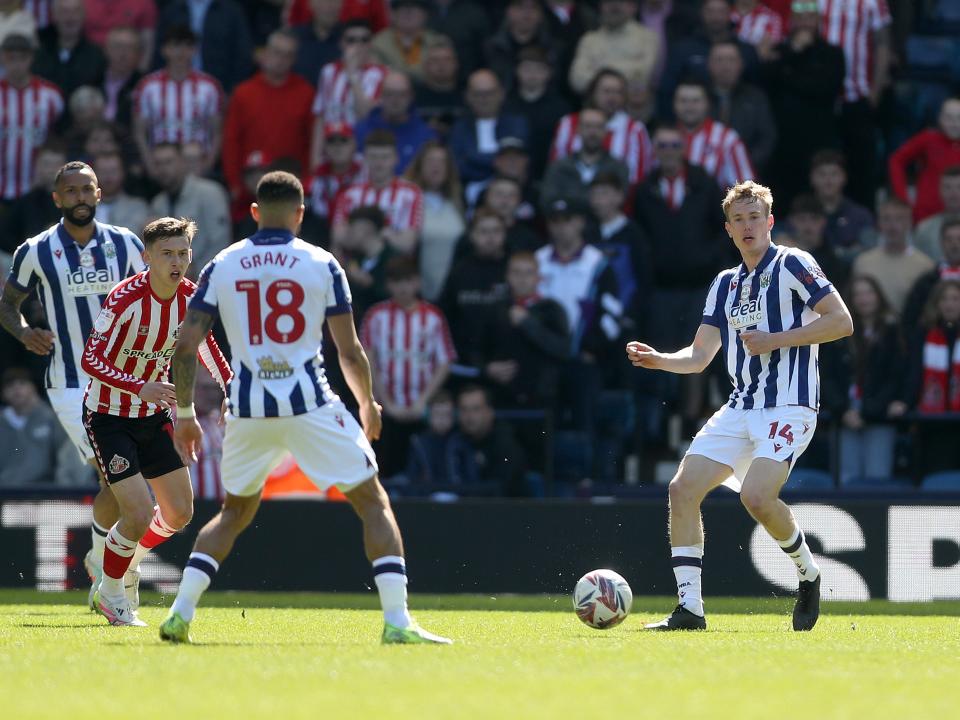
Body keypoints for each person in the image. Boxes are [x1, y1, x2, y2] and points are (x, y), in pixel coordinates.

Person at [160, 170, 451, 645]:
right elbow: (349, 351)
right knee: (373, 503)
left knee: (234, 513)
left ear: (254, 213)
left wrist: (187, 415)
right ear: (300, 214)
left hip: (248, 409)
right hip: (310, 405)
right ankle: (398, 622)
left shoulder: (223, 264)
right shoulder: (322, 263)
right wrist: (367, 403)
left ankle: (180, 614)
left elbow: (186, 346)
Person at [627, 180, 853, 631]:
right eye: (739, 220)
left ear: (770, 222)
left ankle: (808, 574)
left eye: (755, 218)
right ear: (728, 229)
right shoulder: (725, 284)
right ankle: (690, 609)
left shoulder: (794, 263)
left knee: (756, 497)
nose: (748, 226)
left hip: (790, 404)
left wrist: (776, 339)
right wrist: (659, 361)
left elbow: (841, 322)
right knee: (681, 489)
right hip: (740, 407)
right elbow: (698, 357)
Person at [0, 160, 146, 609]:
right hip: (71, 381)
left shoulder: (127, 244)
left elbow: (152, 297)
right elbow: (8, 305)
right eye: (72, 190)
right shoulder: (36, 250)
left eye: (88, 189)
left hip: (125, 376)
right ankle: (118, 581)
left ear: (99, 195)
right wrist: (25, 332)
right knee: (117, 478)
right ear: (57, 198)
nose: (81, 197)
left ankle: (101, 562)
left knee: (117, 484)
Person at [82, 216, 231, 626]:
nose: (177, 261)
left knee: (180, 513)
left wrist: (232, 390)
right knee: (137, 514)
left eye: (183, 252)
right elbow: (90, 359)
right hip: (109, 416)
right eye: (167, 253)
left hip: (154, 417)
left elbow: (207, 348)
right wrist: (138, 386)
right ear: (147, 257)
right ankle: (111, 594)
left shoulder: (192, 296)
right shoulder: (124, 298)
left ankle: (122, 559)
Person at [360, 256, 455, 477]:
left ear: (418, 282)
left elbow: (445, 361)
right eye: (397, 281)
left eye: (408, 281)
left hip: (422, 410)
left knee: (424, 468)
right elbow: (367, 360)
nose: (403, 287)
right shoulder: (376, 315)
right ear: (388, 284)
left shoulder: (433, 316)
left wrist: (423, 401)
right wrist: (385, 401)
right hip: (384, 409)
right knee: (385, 469)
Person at [821, 275, 904, 484]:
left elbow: (896, 376)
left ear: (878, 296)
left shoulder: (892, 331)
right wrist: (842, 410)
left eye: (868, 292)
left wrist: (871, 410)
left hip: (879, 416)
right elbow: (826, 375)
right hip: (845, 416)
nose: (863, 299)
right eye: (858, 294)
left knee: (878, 478)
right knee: (846, 479)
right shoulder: (837, 332)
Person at [222, 28, 315, 215]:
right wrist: (234, 184)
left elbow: (312, 142)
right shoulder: (243, 93)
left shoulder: (306, 93)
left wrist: (306, 182)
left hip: (291, 190)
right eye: (277, 52)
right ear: (264, 54)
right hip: (249, 193)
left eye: (288, 55)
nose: (281, 60)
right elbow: (231, 141)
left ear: (294, 60)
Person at [762, 2, 845, 209]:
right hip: (782, 143)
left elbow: (824, 88)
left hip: (818, 140)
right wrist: (794, 52)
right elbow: (767, 81)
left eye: (810, 16)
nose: (805, 22)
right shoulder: (781, 50)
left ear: (818, 21)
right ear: (791, 21)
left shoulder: (832, 54)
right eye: (800, 16)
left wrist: (788, 75)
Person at [819, 0, 892, 208]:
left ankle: (864, 221)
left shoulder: (872, 2)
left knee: (862, 166)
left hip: (858, 94)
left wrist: (875, 93)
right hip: (819, 96)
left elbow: (883, 44)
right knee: (820, 163)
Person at [133, 25, 225, 178]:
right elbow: (140, 133)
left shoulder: (209, 86)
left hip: (197, 164)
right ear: (164, 50)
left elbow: (217, 132)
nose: (181, 52)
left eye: (187, 46)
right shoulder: (147, 86)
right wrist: (150, 167)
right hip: (161, 165)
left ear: (194, 50)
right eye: (175, 45)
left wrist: (208, 165)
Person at [308, 19, 389, 168]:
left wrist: (352, 74)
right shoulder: (328, 72)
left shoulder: (381, 74)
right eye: (351, 40)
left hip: (363, 156)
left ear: (371, 44)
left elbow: (367, 114)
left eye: (364, 40)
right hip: (330, 155)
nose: (358, 45)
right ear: (342, 43)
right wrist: (315, 159)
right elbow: (320, 117)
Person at [550, 68, 652, 185]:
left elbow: (638, 177)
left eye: (618, 92)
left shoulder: (635, 130)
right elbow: (556, 166)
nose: (612, 97)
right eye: (606, 91)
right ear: (593, 93)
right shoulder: (568, 124)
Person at [901, 279, 960, 477]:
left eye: (955, 298)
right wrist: (906, 403)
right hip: (933, 423)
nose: (949, 304)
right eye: (944, 299)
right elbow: (914, 372)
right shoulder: (924, 332)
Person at [330, 129, 423, 253]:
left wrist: (362, 234)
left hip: (394, 268)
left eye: (385, 157)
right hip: (353, 267)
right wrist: (385, 235)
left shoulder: (411, 194)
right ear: (365, 158)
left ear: (396, 159)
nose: (379, 163)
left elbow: (408, 243)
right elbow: (338, 237)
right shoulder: (349, 194)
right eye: (373, 157)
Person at [149, 143, 231, 280]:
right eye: (158, 164)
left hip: (209, 280)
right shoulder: (158, 203)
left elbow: (220, 243)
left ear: (182, 162)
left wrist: (195, 271)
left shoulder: (210, 193)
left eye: (168, 162)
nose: (163, 169)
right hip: (171, 284)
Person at [0, 33, 63, 202]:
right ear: (2, 58)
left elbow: (57, 138)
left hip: (38, 188)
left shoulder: (50, 95)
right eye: (10, 58)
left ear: (31, 59)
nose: (16, 64)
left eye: (22, 58)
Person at [404, 140, 464, 301]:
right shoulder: (408, 200)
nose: (436, 167)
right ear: (420, 166)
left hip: (452, 292)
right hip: (418, 291)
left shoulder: (457, 203)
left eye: (441, 162)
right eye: (430, 161)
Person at [852, 197, 934, 316]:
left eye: (899, 219)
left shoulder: (925, 265)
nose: (893, 225)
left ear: (909, 223)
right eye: (886, 219)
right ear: (879, 223)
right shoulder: (863, 263)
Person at [706, 41, 776, 176]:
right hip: (705, 174)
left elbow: (767, 138)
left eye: (731, 60)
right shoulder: (699, 97)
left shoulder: (755, 98)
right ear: (709, 65)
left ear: (741, 65)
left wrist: (743, 164)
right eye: (719, 60)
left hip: (746, 174)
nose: (725, 66)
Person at [503, 45, 572, 181]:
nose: (532, 75)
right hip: (511, 174)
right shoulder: (506, 105)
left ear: (549, 73)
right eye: (527, 69)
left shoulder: (561, 108)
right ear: (517, 71)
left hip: (548, 173)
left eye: (539, 69)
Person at [154, 0, 254, 93]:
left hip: (221, 89)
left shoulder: (231, 11)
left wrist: (231, 91)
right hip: (172, 89)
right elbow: (160, 52)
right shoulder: (172, 10)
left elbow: (242, 55)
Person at [448, 69, 528, 185]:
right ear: (468, 97)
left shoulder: (516, 124)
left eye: (489, 93)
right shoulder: (459, 128)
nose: (484, 99)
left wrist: (473, 158)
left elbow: (516, 161)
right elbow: (457, 165)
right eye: (478, 94)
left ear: (501, 94)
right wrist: (498, 162)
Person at [0, 366, 77, 486]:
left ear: (33, 388)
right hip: (5, 493)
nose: (16, 389)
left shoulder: (51, 419)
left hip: (44, 494)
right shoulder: (2, 422)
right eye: (10, 385)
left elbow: (66, 458)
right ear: (3, 393)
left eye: (22, 383)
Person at [541, 108, 629, 210]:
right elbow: (547, 201)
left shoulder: (618, 168)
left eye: (598, 127)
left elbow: (620, 202)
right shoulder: (559, 167)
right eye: (588, 126)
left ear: (606, 131)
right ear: (578, 129)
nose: (593, 132)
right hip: (567, 223)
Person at [888, 97, 960, 223]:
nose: (954, 123)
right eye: (948, 117)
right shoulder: (928, 139)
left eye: (959, 118)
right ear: (940, 119)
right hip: (926, 215)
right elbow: (896, 160)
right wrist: (902, 198)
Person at [674, 78, 755, 190]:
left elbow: (745, 188)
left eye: (695, 101)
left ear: (707, 103)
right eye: (683, 101)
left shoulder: (727, 139)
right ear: (674, 104)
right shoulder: (663, 138)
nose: (689, 107)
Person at [569, 0, 659, 95]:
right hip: (594, 108)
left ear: (633, 7)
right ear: (601, 6)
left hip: (633, 106)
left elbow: (643, 78)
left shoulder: (648, 38)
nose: (614, 6)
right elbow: (576, 81)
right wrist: (631, 69)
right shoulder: (588, 40)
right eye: (608, 2)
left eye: (620, 1)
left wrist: (599, 68)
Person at [354, 69, 436, 172]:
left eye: (402, 94)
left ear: (411, 96)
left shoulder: (426, 136)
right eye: (390, 94)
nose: (395, 100)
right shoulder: (360, 132)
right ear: (381, 95)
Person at [31, 0, 104, 100]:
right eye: (64, 12)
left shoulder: (97, 55)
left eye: (75, 12)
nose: (70, 18)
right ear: (54, 16)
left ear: (84, 16)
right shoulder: (39, 54)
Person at [808, 149, 874, 256]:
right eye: (822, 174)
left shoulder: (860, 216)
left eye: (834, 174)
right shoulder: (800, 215)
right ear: (812, 178)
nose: (828, 180)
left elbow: (869, 249)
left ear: (844, 177)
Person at [903, 218, 960, 332]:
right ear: (941, 242)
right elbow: (911, 319)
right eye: (949, 239)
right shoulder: (927, 281)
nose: (955, 244)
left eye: (959, 239)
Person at [339, 204, 396, 318]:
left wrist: (370, 284)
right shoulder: (354, 260)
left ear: (366, 229)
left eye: (352, 229)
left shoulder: (393, 258)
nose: (348, 234)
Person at [371, 0, 440, 81]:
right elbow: (376, 75)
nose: (408, 12)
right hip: (392, 90)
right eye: (402, 7)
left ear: (425, 14)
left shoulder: (437, 43)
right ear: (392, 14)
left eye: (414, 7)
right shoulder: (378, 44)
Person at [92, 151, 148, 234]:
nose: (108, 176)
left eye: (113, 171)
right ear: (93, 175)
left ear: (123, 173)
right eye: (103, 171)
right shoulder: (86, 208)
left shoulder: (138, 206)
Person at [99, 26, 145, 129]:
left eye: (129, 47)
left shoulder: (145, 85)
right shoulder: (93, 80)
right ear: (105, 50)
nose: (123, 53)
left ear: (139, 54)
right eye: (117, 46)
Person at [913, 165, 960, 263]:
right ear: (940, 191)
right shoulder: (924, 229)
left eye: (959, 187)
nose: (953, 192)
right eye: (947, 187)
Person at [291, 0, 344, 84]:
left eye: (334, 1)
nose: (329, 7)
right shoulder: (293, 37)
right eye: (323, 2)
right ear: (310, 4)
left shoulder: (351, 40)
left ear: (341, 5)